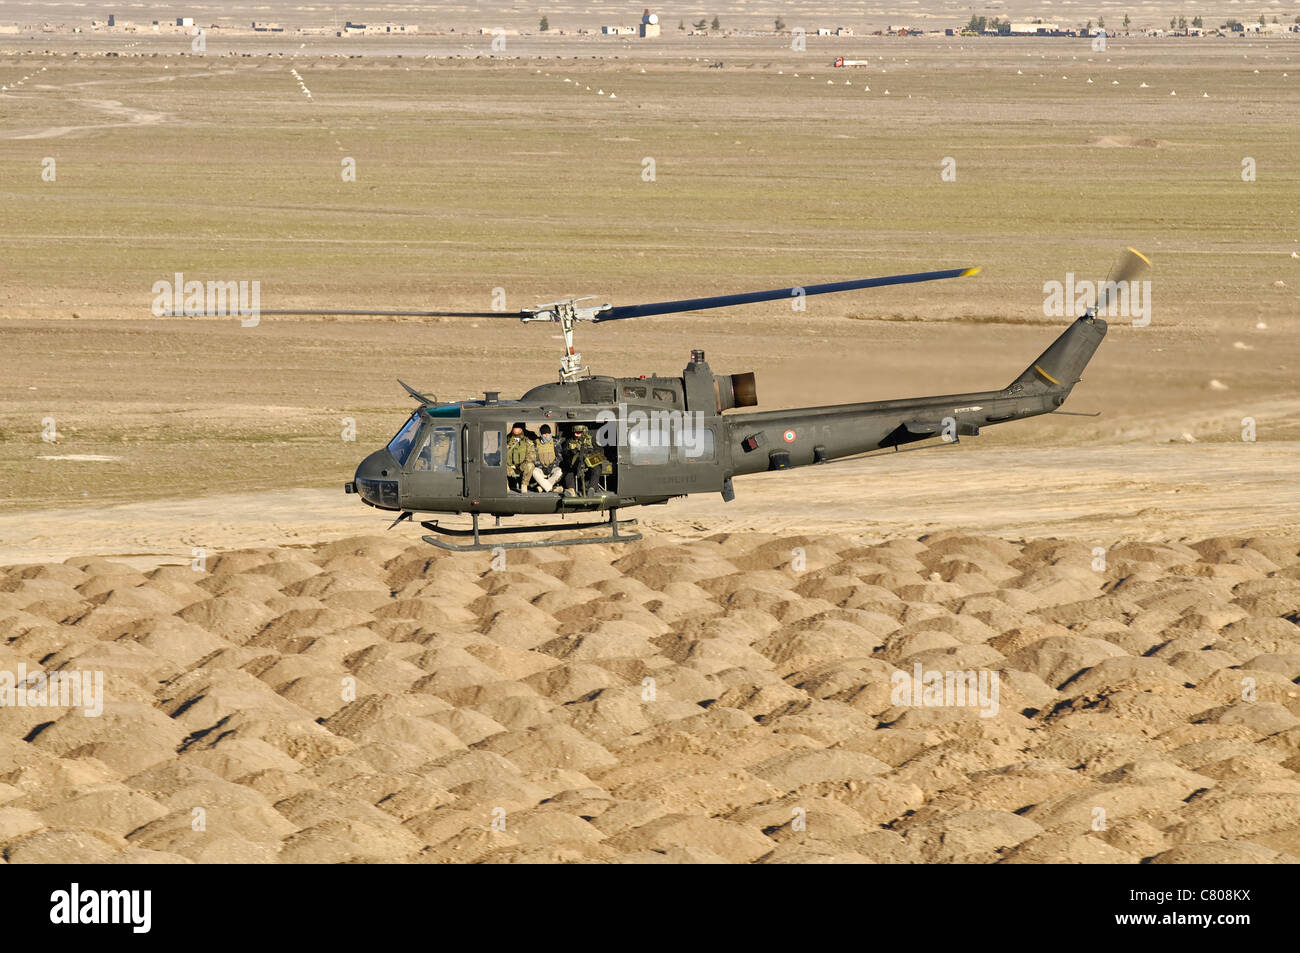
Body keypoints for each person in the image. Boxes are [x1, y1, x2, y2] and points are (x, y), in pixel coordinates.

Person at [562, 424, 610, 496]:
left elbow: (600, 451)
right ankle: (571, 490)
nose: (577, 435)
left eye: (579, 433)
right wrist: (572, 452)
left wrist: (590, 456)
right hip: (576, 464)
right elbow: (565, 453)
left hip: (589, 463)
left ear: (584, 432)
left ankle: (592, 488)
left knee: (597, 469)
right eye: (575, 433)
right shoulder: (570, 442)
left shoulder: (591, 440)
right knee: (568, 470)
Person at [528, 424, 563, 493]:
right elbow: (534, 458)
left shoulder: (555, 442)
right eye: (544, 434)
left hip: (552, 467)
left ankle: (542, 487)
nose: (546, 436)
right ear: (541, 434)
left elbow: (559, 457)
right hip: (541, 468)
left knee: (559, 472)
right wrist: (541, 467)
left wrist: (552, 466)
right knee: (534, 472)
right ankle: (551, 488)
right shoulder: (535, 443)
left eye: (548, 434)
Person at [504, 422, 531, 492]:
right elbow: (499, 454)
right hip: (510, 468)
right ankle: (504, 486)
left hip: (521, 468)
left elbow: (531, 456)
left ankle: (524, 486)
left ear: (521, 430)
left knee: (530, 465)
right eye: (515, 428)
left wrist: (523, 465)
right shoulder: (506, 440)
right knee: (499, 465)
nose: (516, 430)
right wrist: (505, 448)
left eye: (518, 429)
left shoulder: (526, 441)